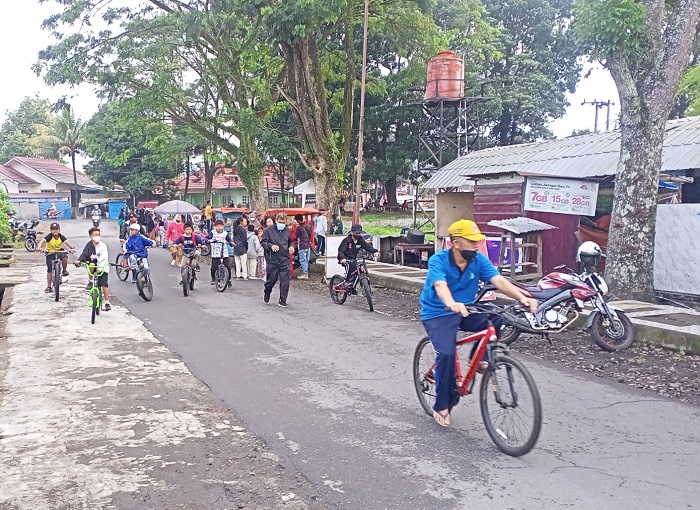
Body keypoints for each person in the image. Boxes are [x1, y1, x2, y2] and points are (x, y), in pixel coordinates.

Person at [419, 219, 538, 427]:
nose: (476, 245)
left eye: (477, 241)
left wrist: (522, 298)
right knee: (446, 354)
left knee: (496, 317)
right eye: (471, 241)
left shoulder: (478, 260)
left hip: (466, 308)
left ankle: (478, 357)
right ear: (456, 243)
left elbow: (499, 281)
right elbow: (440, 284)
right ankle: (441, 405)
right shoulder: (438, 260)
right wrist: (451, 303)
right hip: (438, 312)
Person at [261, 212, 295, 308]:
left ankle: (282, 300)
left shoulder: (287, 231)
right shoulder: (269, 230)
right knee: (271, 281)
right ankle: (267, 291)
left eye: (284, 222)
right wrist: (271, 246)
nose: (282, 224)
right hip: (273, 259)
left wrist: (292, 247)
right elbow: (263, 242)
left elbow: (291, 242)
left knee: (285, 281)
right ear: (276, 221)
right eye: (280, 222)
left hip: (284, 259)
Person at [75, 227, 111, 310]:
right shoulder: (89, 245)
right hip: (94, 265)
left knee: (104, 285)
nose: (97, 236)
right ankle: (90, 281)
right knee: (90, 265)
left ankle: (107, 302)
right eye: (95, 235)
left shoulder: (103, 246)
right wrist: (79, 261)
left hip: (102, 267)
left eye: (98, 235)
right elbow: (85, 254)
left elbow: (104, 258)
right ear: (91, 236)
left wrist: (100, 268)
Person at [36, 222, 76, 294]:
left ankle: (64, 270)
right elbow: (42, 241)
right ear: (50, 230)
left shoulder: (61, 237)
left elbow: (67, 243)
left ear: (59, 230)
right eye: (53, 229)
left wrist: (72, 248)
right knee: (50, 270)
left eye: (56, 229)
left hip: (59, 252)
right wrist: (39, 247)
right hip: (50, 253)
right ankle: (49, 286)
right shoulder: (49, 236)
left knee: (65, 258)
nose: (55, 231)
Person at [337, 224, 378, 290]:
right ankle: (346, 281)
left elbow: (367, 247)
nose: (358, 235)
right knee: (349, 266)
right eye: (356, 233)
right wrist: (342, 258)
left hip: (353, 258)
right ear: (352, 233)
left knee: (358, 267)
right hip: (345, 258)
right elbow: (340, 251)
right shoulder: (346, 240)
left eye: (360, 233)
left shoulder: (360, 240)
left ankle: (354, 285)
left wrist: (375, 252)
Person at [206, 219, 233, 288]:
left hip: (224, 252)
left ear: (223, 226)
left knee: (228, 266)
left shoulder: (225, 233)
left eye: (220, 226)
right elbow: (206, 238)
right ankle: (213, 278)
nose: (219, 227)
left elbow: (229, 240)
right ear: (215, 227)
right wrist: (208, 241)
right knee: (213, 267)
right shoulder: (213, 232)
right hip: (216, 252)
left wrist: (231, 243)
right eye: (217, 226)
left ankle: (228, 280)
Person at [294, 214, 312, 279]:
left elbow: (296, 236)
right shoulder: (308, 226)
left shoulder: (299, 228)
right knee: (306, 259)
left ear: (298, 220)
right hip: (308, 244)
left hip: (302, 245)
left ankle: (305, 273)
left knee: (302, 259)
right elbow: (310, 234)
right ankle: (305, 271)